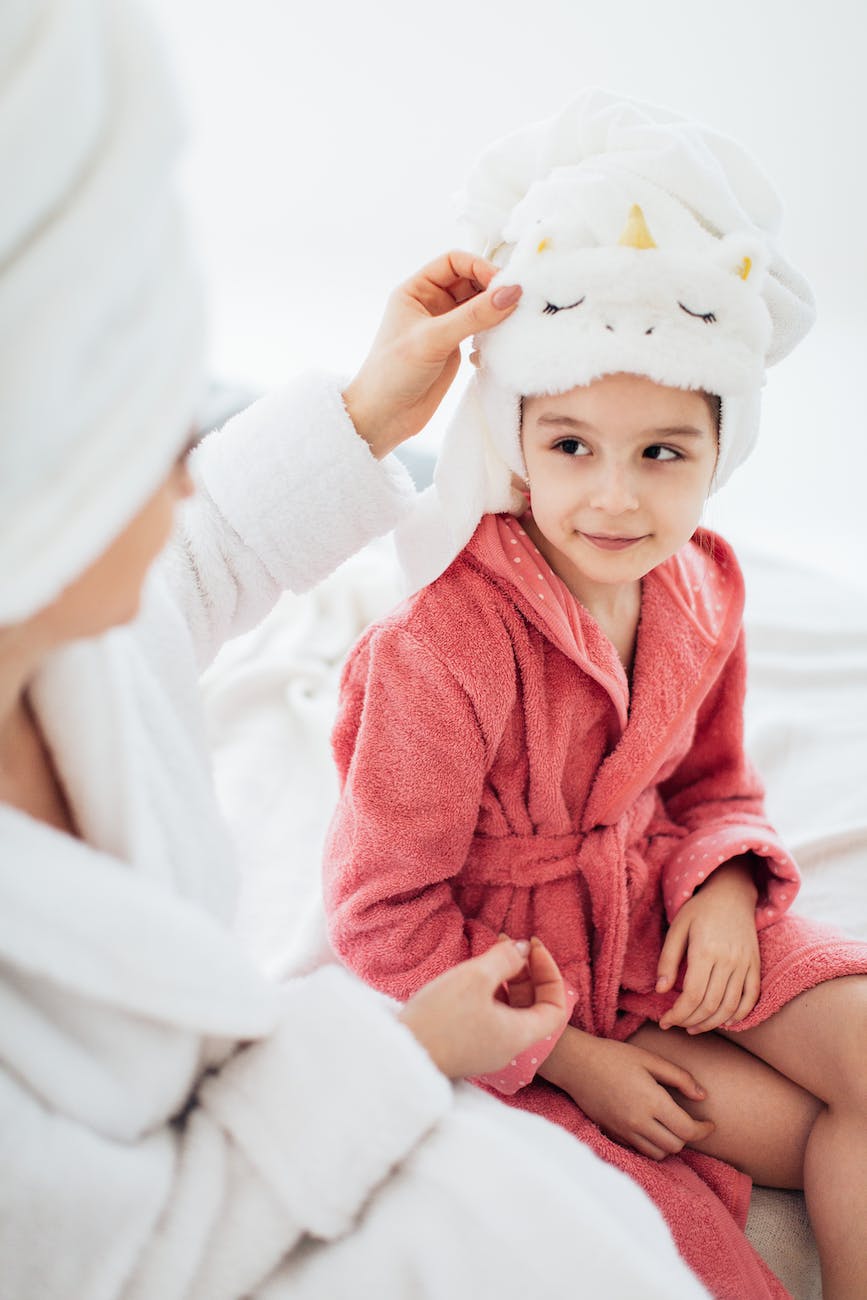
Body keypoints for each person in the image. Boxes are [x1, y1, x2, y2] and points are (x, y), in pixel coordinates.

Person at [0, 7, 716, 1299]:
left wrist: (364, 409)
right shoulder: (436, 646)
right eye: (150, 433)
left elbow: (189, 560)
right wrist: (405, 1050)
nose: (188, 465)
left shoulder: (64, 632)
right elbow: (131, 1254)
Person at [323, 92, 867, 1300]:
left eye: (662, 452)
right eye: (571, 446)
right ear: (517, 434)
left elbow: (714, 781)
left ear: (724, 449)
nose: (614, 500)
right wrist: (572, 1059)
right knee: (692, 1231)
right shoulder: (445, 641)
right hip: (534, 979)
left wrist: (727, 884)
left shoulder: (706, 584)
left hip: (667, 931)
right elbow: (381, 917)